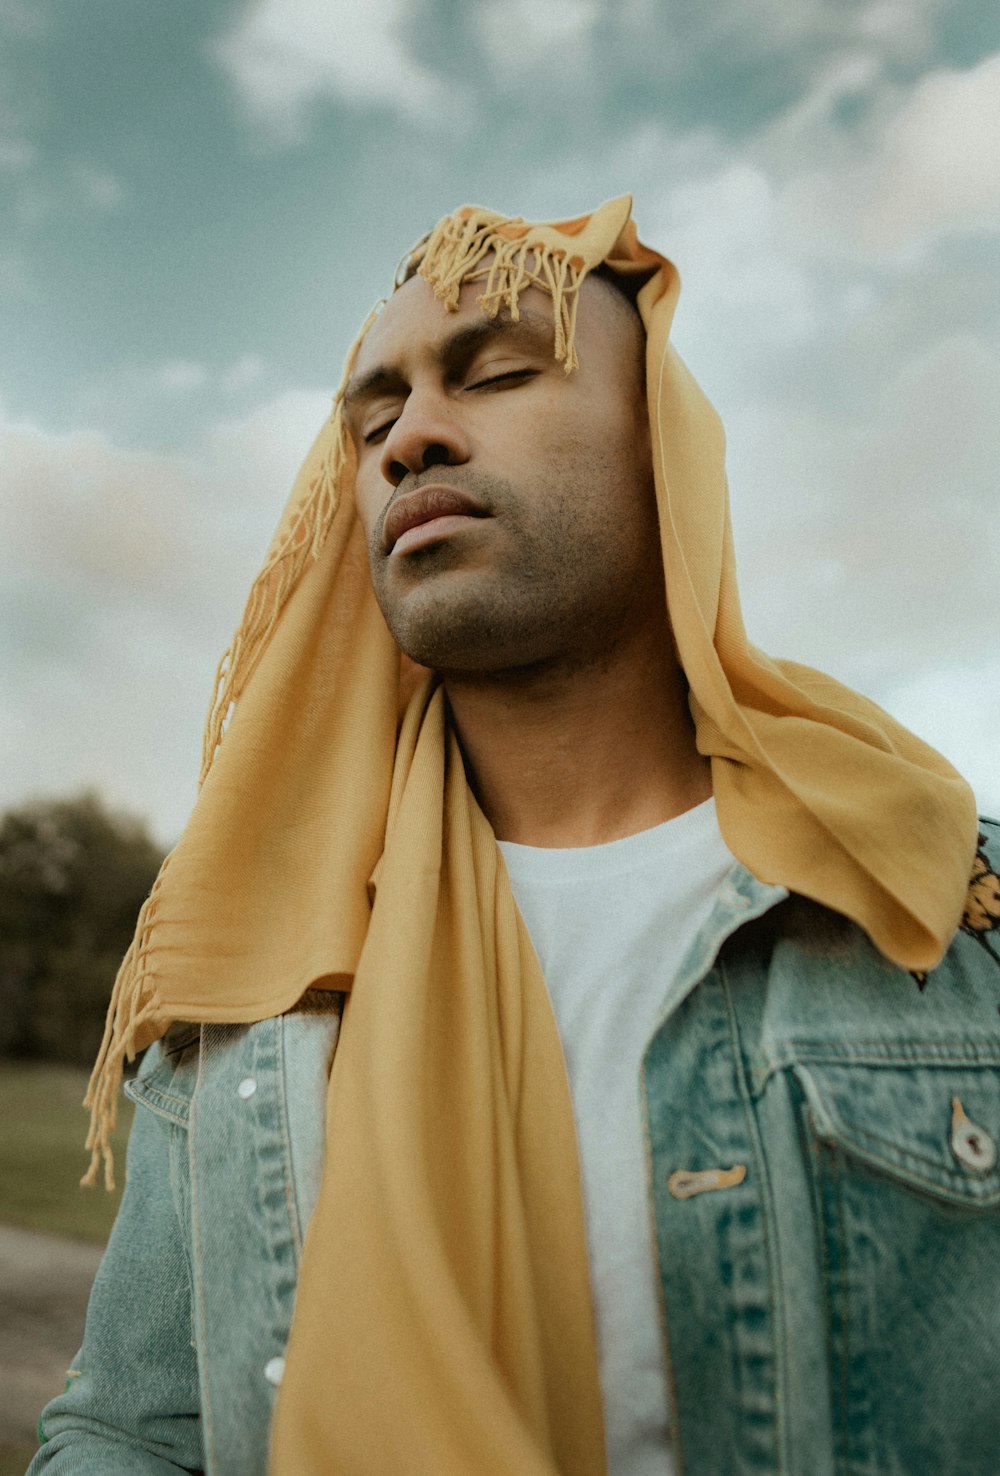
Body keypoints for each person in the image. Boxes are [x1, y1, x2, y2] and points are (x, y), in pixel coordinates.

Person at [28, 197, 1000, 1476]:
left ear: (663, 449)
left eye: (492, 375)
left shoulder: (941, 896)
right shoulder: (252, 974)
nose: (408, 439)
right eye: (372, 420)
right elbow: (128, 1436)